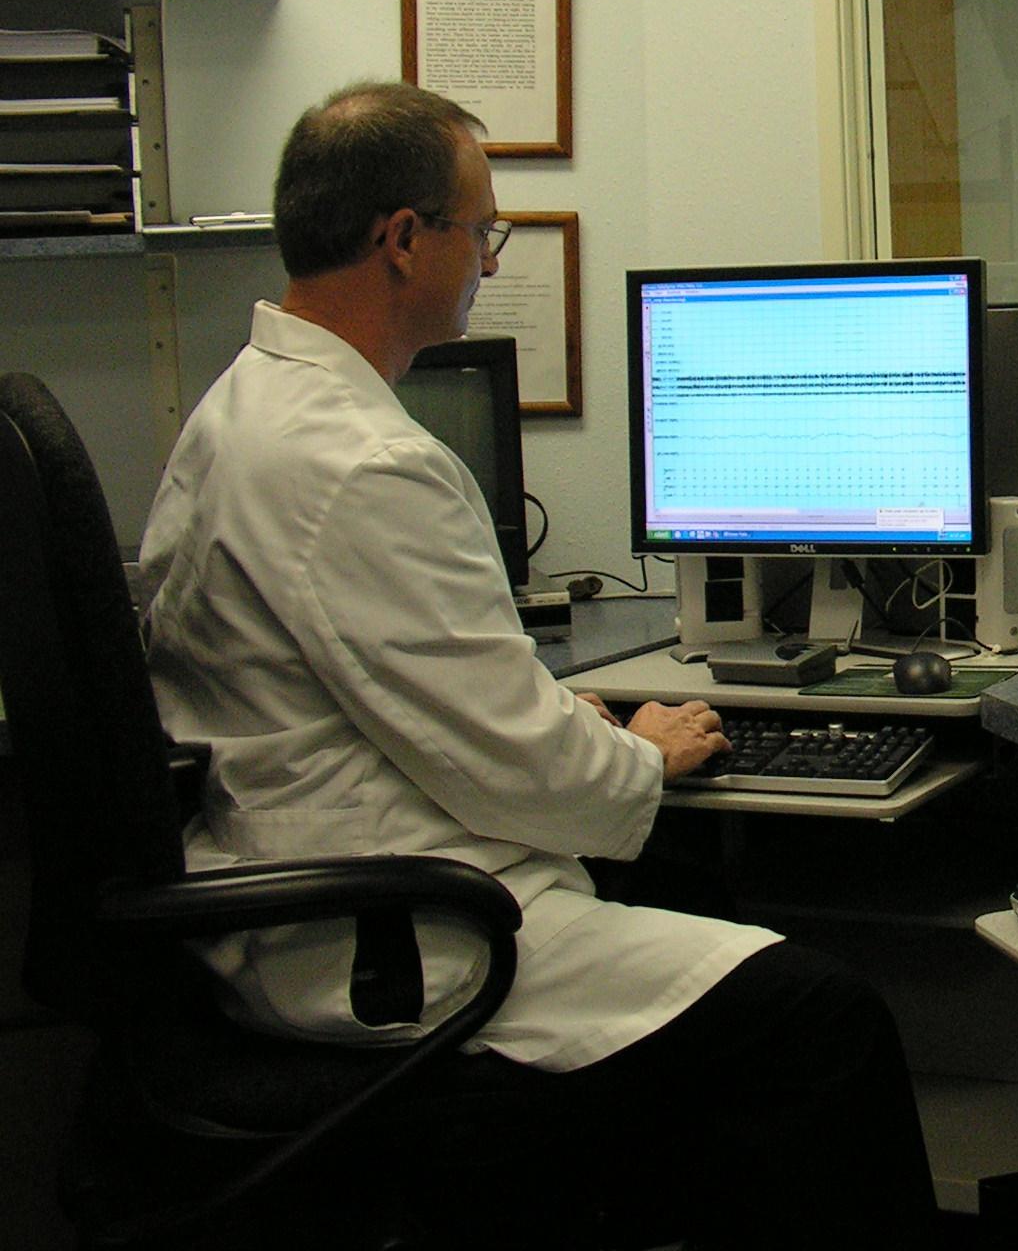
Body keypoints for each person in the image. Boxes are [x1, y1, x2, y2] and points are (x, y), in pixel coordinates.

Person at [137, 81, 936, 1248]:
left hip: (305, 879)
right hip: (394, 935)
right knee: (822, 1018)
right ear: (404, 240)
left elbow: (411, 692)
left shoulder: (246, 406)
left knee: (699, 901)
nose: (488, 259)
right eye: (483, 230)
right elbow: (517, 768)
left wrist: (562, 724)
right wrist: (635, 755)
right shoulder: (361, 462)